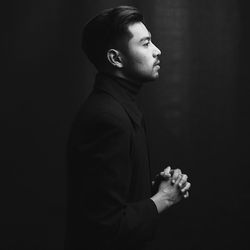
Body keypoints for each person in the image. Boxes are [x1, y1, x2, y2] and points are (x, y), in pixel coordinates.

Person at [65, 5, 191, 250]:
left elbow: (106, 203)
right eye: (145, 44)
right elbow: (104, 227)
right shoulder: (107, 119)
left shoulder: (118, 108)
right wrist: (164, 198)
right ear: (115, 58)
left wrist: (148, 191)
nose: (157, 51)